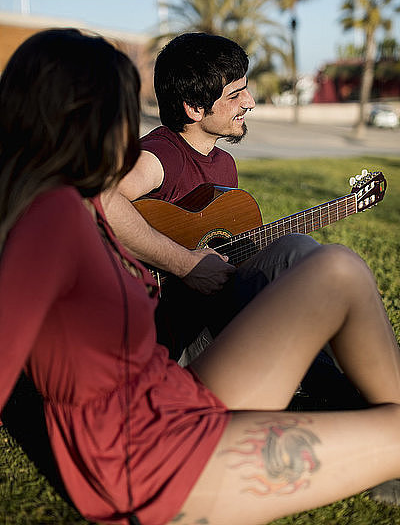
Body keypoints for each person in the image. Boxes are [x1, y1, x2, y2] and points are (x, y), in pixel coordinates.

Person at [1, 28, 400, 525]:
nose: (131, 134)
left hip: (177, 398)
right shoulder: (51, 220)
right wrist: (185, 264)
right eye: (123, 112)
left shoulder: (72, 205)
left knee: (334, 266)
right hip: (154, 461)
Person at [101, 32, 360, 407]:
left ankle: (347, 389)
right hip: (169, 339)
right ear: (193, 108)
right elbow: (102, 200)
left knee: (297, 257)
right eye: (236, 95)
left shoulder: (225, 166)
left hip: (217, 325)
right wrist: (186, 263)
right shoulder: (160, 156)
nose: (250, 103)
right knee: (298, 254)